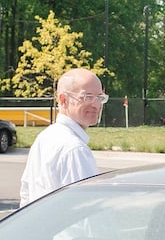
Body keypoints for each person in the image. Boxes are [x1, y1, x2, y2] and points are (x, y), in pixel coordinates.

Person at [19, 68, 105, 206]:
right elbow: (87, 208)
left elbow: (26, 195)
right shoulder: (75, 150)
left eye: (99, 97)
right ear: (63, 99)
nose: (95, 104)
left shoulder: (45, 137)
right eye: (87, 97)